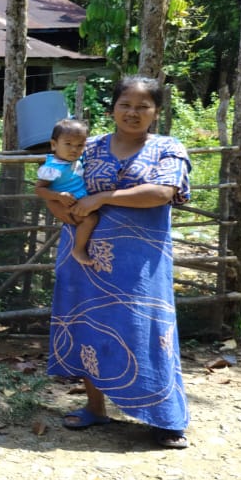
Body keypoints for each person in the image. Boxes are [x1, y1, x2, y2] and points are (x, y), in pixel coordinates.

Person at [47, 76, 192, 449]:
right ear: (112, 108)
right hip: (85, 253)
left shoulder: (167, 148)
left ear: (156, 112)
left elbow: (161, 193)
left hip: (140, 261)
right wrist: (62, 205)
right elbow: (55, 181)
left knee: (146, 329)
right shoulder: (88, 147)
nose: (133, 112)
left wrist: (102, 198)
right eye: (126, 104)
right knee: (91, 326)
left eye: (143, 106)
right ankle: (95, 407)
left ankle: (164, 418)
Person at [35, 118, 98, 266]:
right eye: (68, 144)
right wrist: (58, 196)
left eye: (80, 145)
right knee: (90, 219)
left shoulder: (75, 160)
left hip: (82, 200)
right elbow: (39, 189)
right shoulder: (53, 168)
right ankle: (78, 249)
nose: (74, 149)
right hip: (70, 206)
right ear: (54, 144)